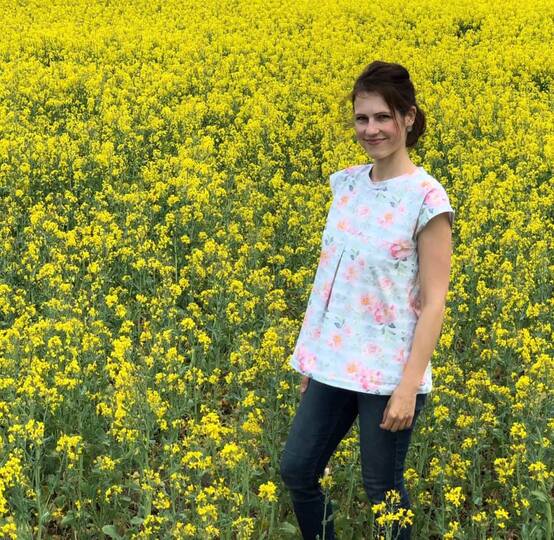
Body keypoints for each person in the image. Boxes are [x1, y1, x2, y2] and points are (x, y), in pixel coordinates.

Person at [280, 60, 455, 540]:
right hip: (334, 362)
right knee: (297, 469)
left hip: (388, 373)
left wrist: (409, 386)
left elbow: (434, 301)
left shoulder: (427, 200)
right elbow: (331, 278)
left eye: (383, 117)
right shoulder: (347, 184)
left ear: (408, 118)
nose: (371, 129)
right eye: (362, 118)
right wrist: (312, 358)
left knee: (383, 491)